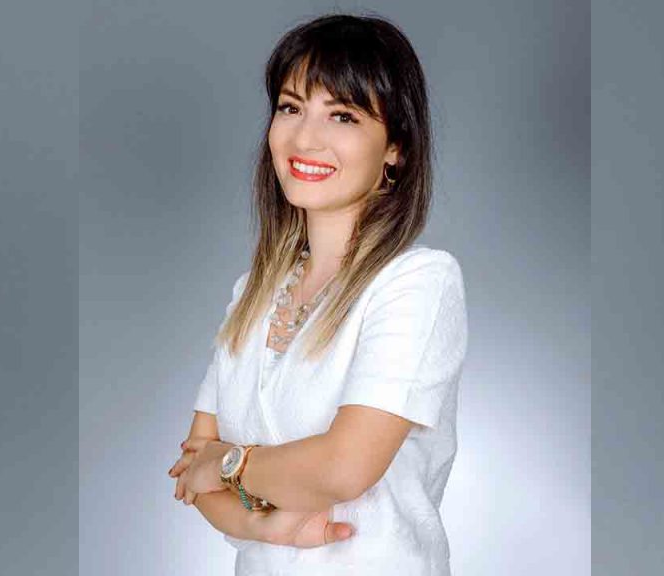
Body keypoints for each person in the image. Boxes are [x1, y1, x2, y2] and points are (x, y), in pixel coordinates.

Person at [167, 12, 468, 576]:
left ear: (396, 148)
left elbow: (344, 467)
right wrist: (270, 527)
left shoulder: (417, 283)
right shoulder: (253, 295)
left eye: (343, 115)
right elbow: (191, 470)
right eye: (290, 107)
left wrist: (228, 464)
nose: (305, 138)